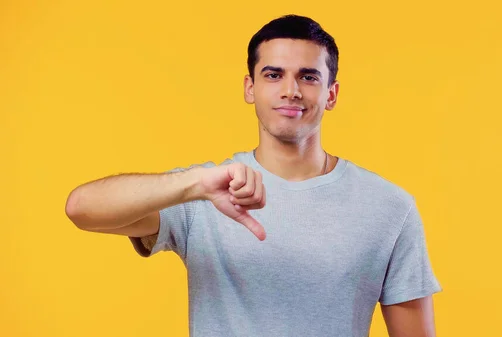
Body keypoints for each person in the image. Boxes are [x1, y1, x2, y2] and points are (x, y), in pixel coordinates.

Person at [65, 14, 442, 337]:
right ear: (251, 87)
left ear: (332, 94)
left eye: (309, 77)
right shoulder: (204, 192)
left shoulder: (390, 207)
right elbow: (81, 208)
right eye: (273, 74)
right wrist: (194, 185)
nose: (291, 91)